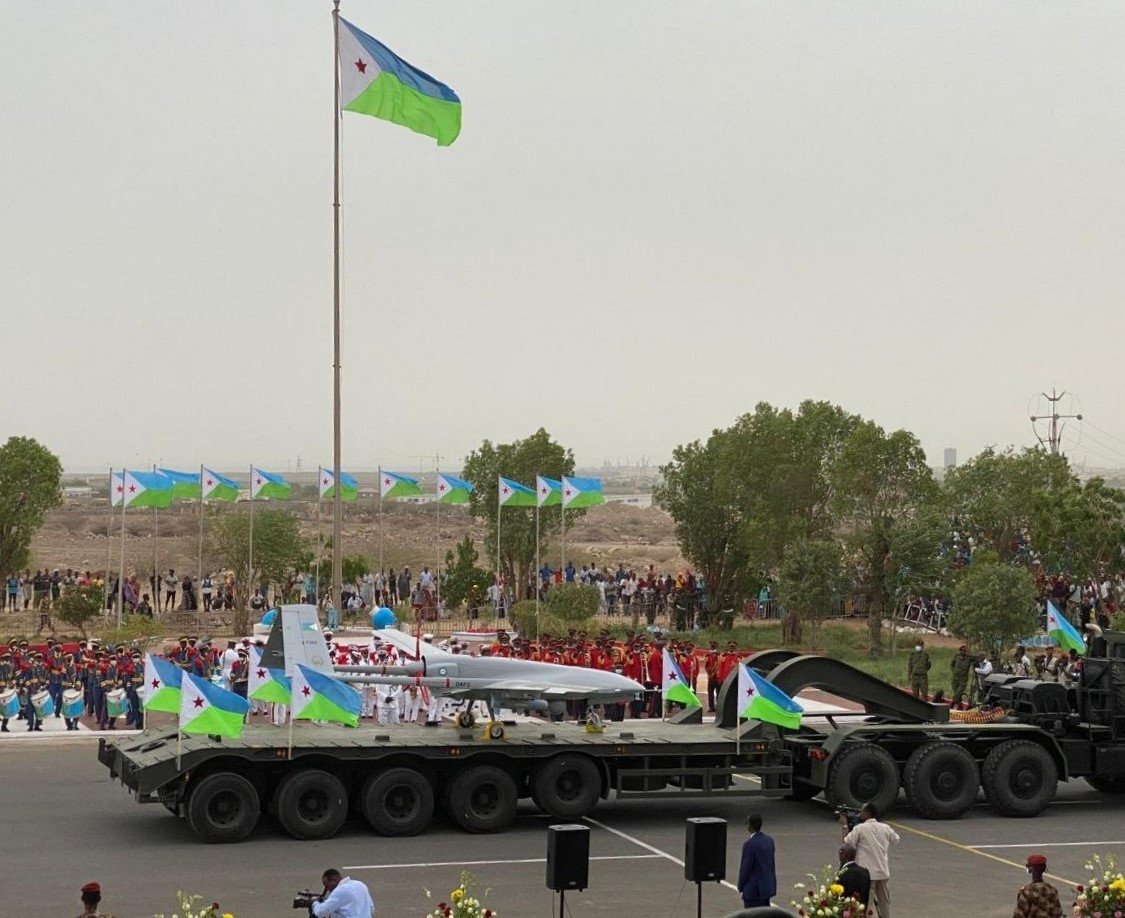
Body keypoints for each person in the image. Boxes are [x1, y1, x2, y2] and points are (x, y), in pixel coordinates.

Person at [842, 801, 899, 918]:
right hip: (883, 872)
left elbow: (846, 843)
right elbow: (896, 839)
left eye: (862, 811)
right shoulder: (885, 827)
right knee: (884, 903)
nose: (860, 813)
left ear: (868, 813)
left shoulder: (860, 828)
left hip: (866, 874)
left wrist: (844, 825)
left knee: (867, 904)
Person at [736, 812, 777, 909]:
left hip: (753, 891)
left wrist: (740, 885)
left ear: (750, 825)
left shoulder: (749, 844)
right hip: (766, 888)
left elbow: (745, 868)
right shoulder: (769, 840)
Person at [1011, 853, 1062, 918]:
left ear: (1031, 869)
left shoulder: (1026, 892)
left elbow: (1018, 915)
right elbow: (1058, 912)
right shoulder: (1052, 890)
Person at [836, 842, 870, 908]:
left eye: (840, 852)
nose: (839, 854)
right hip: (860, 911)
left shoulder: (842, 874)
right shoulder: (865, 872)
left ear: (845, 856)